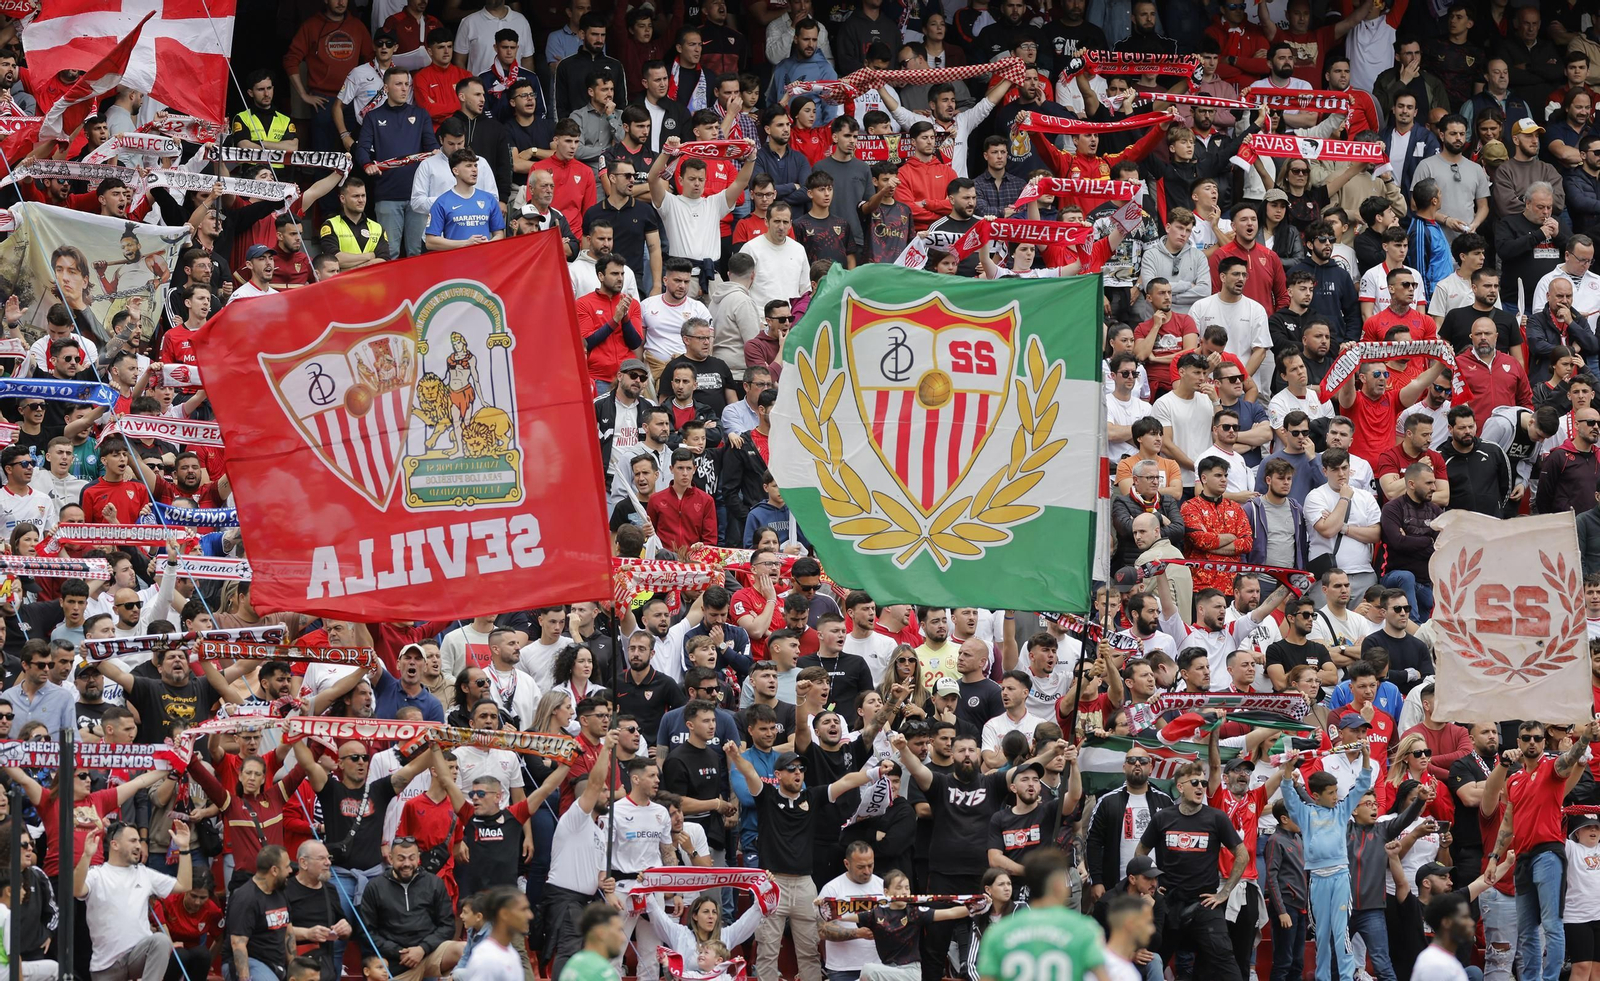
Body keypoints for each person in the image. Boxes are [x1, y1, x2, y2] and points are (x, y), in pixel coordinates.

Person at [76, 818, 193, 980]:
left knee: (161, 941)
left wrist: (185, 848)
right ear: (114, 845)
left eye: (139, 840)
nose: (139, 846)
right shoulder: (97, 874)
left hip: (137, 956)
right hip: (106, 967)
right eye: (133, 841)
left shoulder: (143, 873)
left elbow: (184, 885)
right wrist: (86, 856)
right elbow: (76, 890)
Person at [560, 903, 627, 981]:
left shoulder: (574, 961)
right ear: (601, 933)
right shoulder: (602, 971)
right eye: (618, 930)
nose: (623, 938)